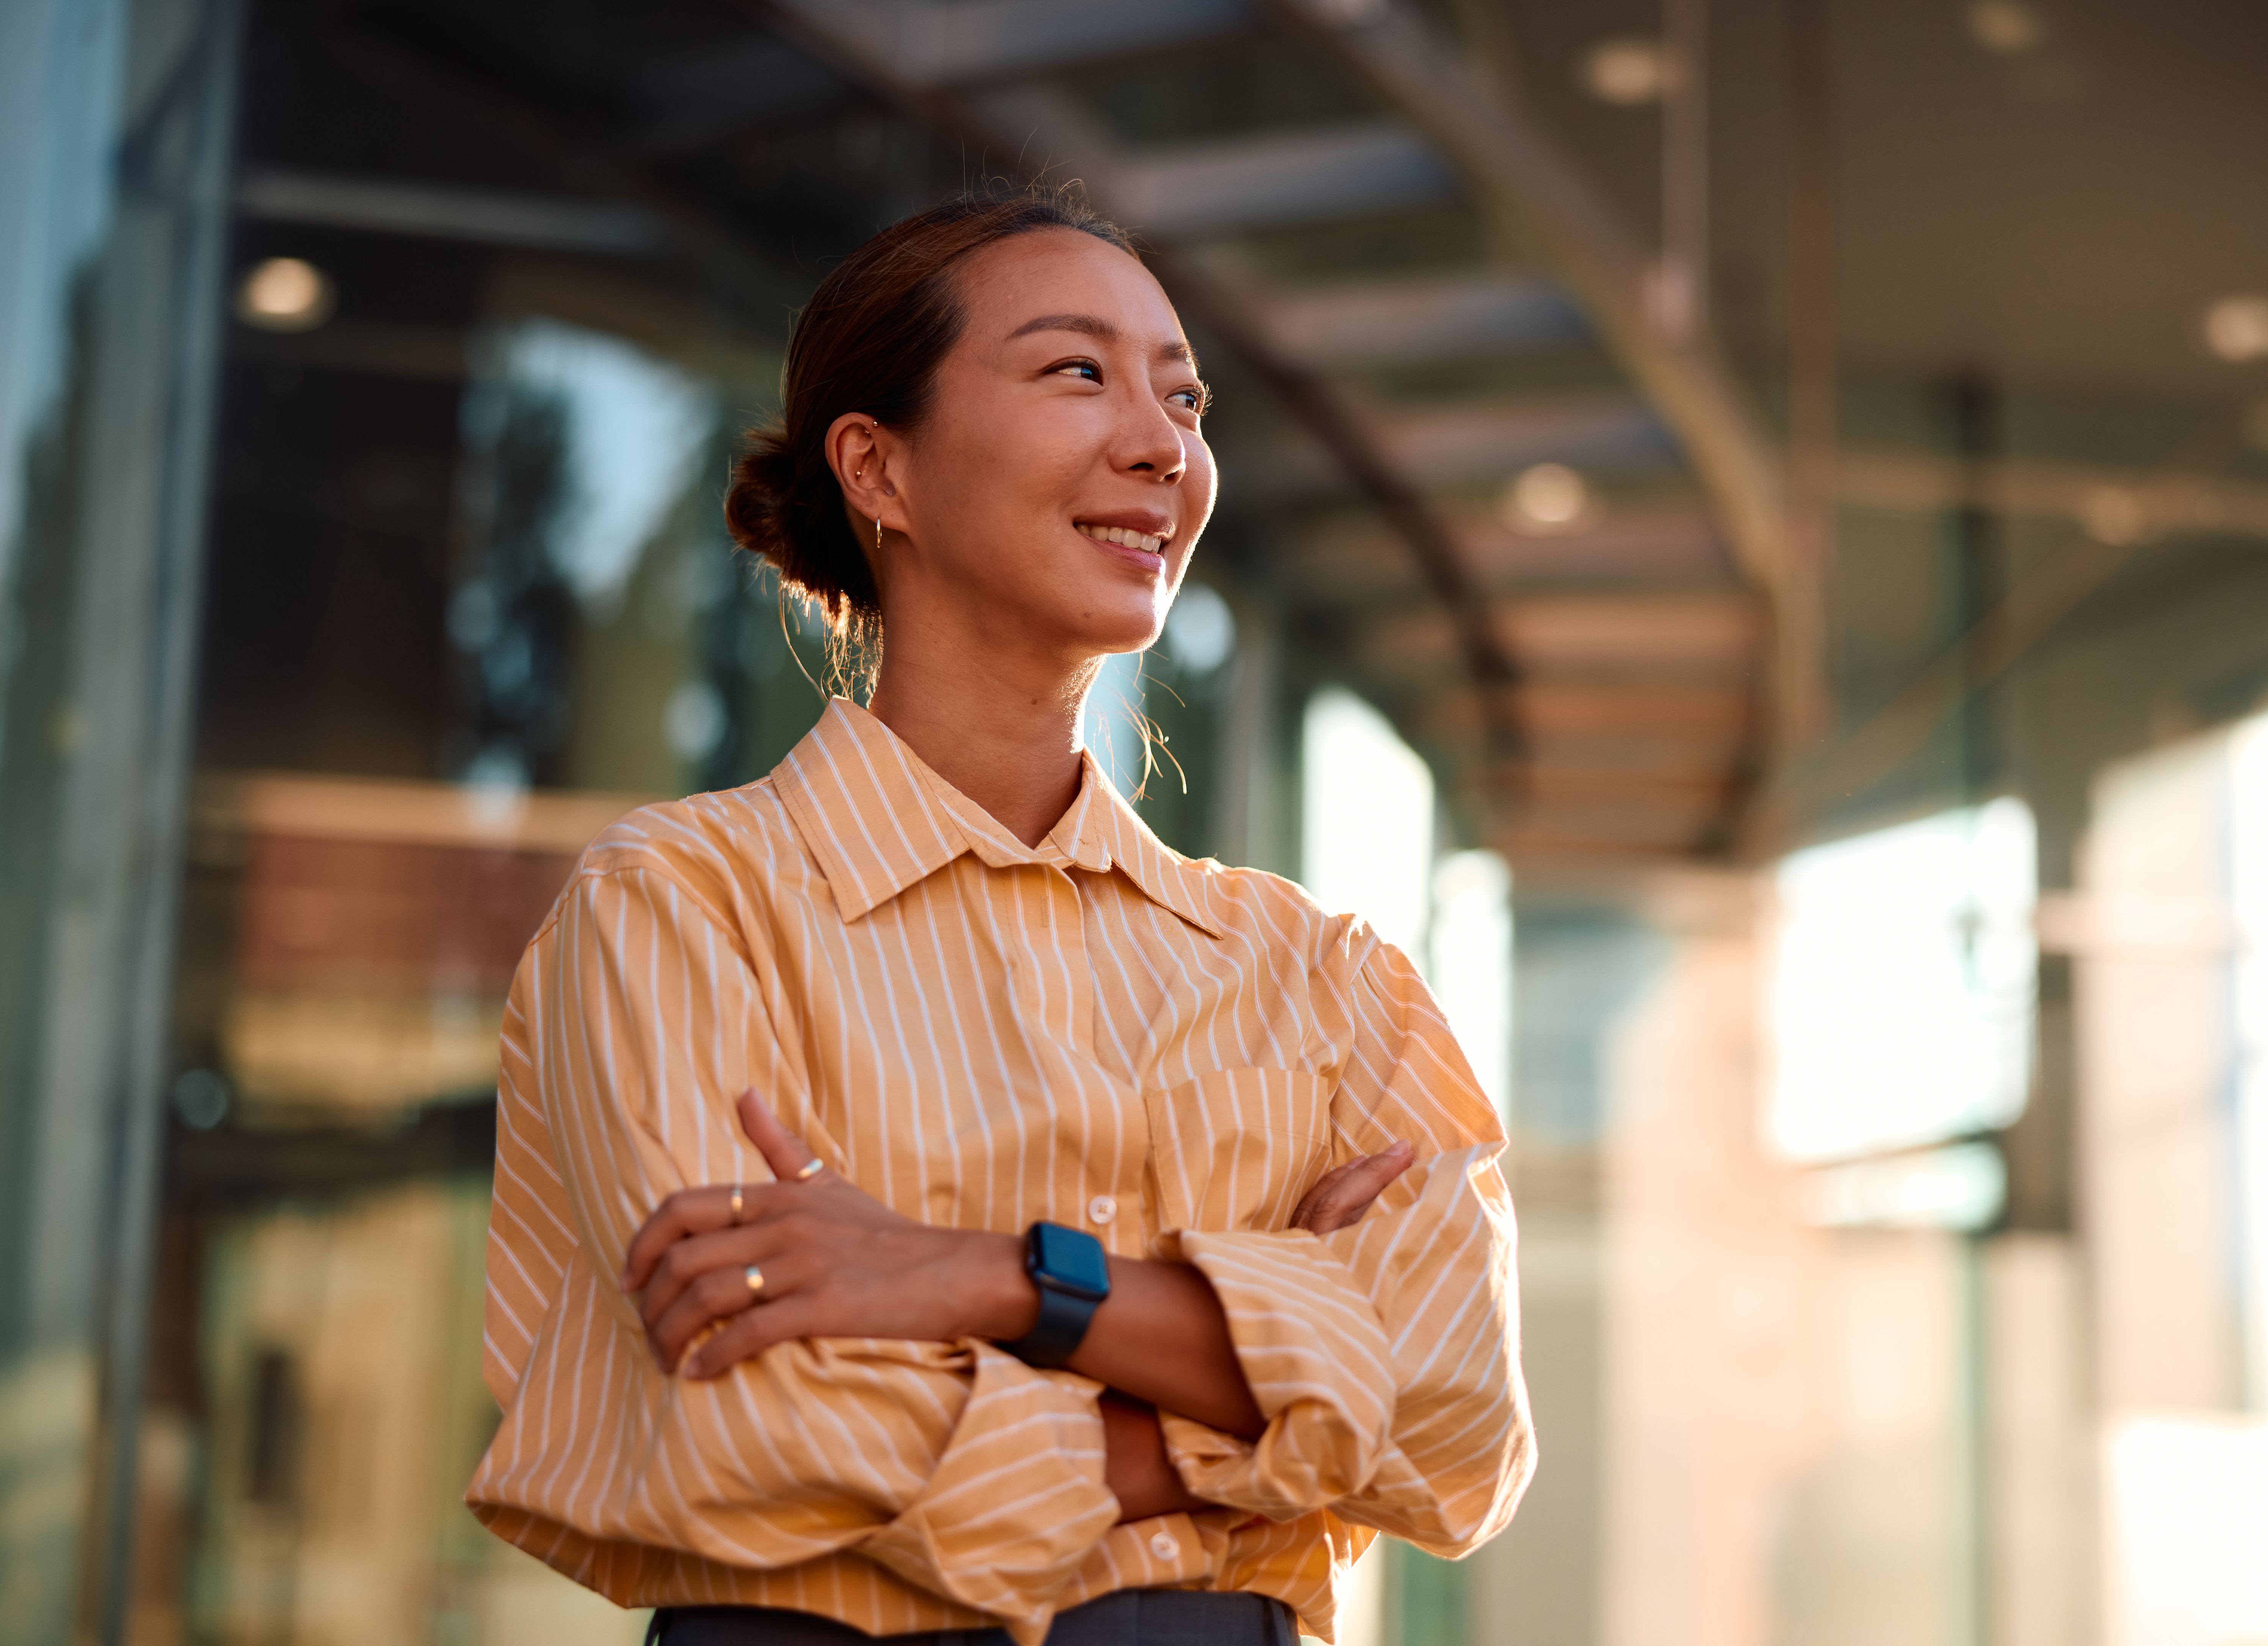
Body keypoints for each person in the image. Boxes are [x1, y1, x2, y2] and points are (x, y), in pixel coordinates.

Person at [464, 188, 1533, 1646]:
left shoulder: (1324, 977)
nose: (1163, 445)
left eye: (1185, 395)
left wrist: (986, 1276)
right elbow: (764, 1422)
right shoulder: (682, 912)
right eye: (1078, 372)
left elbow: (1461, 1411)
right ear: (878, 469)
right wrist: (1264, 1411)